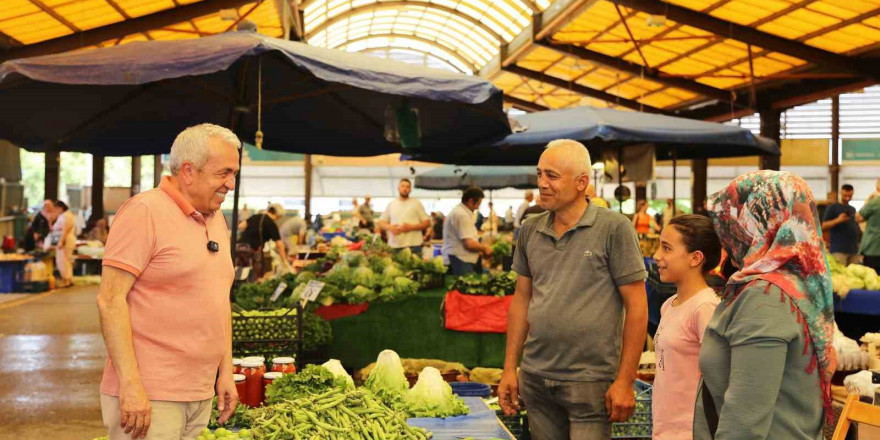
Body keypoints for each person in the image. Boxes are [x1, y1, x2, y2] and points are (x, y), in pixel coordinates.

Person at [97, 123, 240, 440]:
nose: (231, 184)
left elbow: (219, 301)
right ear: (188, 171)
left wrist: (225, 371)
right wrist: (131, 385)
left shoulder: (217, 220)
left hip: (200, 390)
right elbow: (110, 300)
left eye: (234, 173)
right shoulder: (143, 212)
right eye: (223, 173)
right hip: (151, 394)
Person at [498, 139, 648, 439]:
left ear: (582, 183)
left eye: (552, 176)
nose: (542, 183)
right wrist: (509, 369)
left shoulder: (614, 228)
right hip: (536, 379)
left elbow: (638, 306)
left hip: (590, 382)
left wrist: (625, 380)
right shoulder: (530, 229)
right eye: (540, 174)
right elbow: (522, 300)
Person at [694, 170, 835, 440]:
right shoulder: (799, 287)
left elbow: (744, 423)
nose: (727, 234)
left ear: (758, 223)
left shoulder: (766, 296)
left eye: (734, 222)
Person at [650, 215, 721, 440]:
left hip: (690, 431)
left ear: (695, 258)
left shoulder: (706, 308)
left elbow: (718, 380)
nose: (656, 256)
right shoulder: (668, 305)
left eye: (666, 248)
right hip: (664, 428)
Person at [442, 187, 492, 276]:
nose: (478, 207)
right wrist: (484, 248)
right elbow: (469, 244)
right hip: (460, 259)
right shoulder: (461, 215)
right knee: (464, 288)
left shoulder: (460, 212)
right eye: (478, 204)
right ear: (471, 200)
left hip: (459, 258)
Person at [378, 179, 430, 255]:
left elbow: (427, 223)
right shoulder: (392, 204)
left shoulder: (416, 204)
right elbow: (381, 222)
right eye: (403, 186)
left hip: (414, 246)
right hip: (395, 247)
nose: (405, 188)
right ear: (398, 188)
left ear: (410, 190)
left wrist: (411, 227)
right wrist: (390, 227)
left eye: (407, 187)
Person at [822, 184, 861, 266]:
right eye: (845, 195)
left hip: (853, 249)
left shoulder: (852, 209)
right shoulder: (832, 208)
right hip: (838, 249)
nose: (847, 198)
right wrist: (838, 220)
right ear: (841, 193)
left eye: (850, 196)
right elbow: (824, 225)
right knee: (840, 274)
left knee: (854, 276)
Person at [51, 200, 77, 288]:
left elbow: (65, 229)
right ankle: (68, 279)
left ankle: (66, 280)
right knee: (64, 260)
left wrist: (61, 241)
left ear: (60, 208)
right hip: (65, 239)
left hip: (65, 240)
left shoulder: (67, 216)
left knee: (63, 260)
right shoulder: (63, 215)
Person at [859, 196, 880, 272]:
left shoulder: (874, 202)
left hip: (873, 249)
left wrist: (867, 201)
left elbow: (858, 217)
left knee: (871, 277)